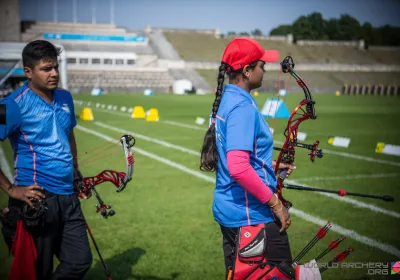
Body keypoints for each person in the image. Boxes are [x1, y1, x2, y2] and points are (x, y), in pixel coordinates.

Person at [200, 37, 296, 278]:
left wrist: (270, 165)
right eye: (261, 65)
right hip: (251, 217)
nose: (264, 70)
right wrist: (276, 204)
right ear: (246, 70)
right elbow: (238, 168)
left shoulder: (230, 99)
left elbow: (236, 155)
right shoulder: (241, 107)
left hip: (232, 212)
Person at [0, 40, 92, 280]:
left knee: (79, 261)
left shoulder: (65, 98)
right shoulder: (11, 105)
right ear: (28, 71)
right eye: (46, 68)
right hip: (37, 200)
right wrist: (11, 189)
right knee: (37, 272)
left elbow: (69, 136)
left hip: (68, 198)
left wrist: (75, 172)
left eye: (55, 67)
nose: (54, 74)